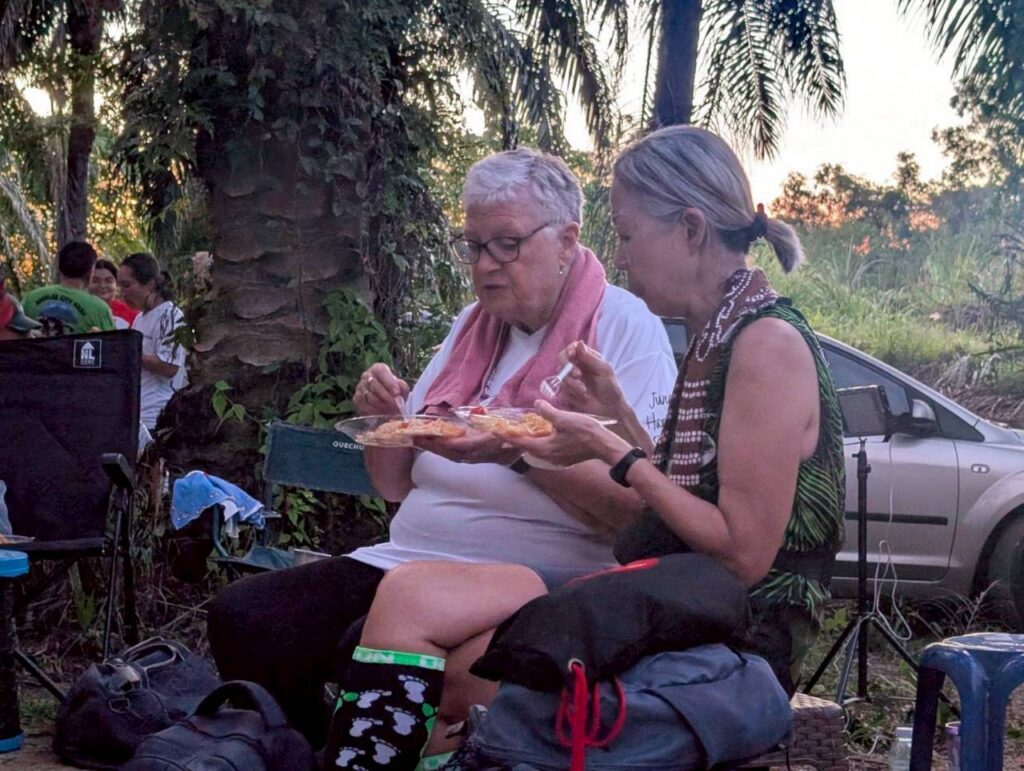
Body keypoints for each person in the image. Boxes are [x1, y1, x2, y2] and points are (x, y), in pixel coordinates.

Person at [322, 126, 846, 770]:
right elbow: (683, 494)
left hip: (736, 629)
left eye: (626, 235)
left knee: (464, 664)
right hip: (671, 590)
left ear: (690, 229)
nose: (618, 260)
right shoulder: (717, 336)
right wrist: (616, 415)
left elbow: (741, 555)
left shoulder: (765, 344)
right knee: (416, 604)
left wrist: (608, 448)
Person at [206, 148, 678, 757]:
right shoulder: (471, 329)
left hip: (532, 570)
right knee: (245, 617)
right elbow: (394, 485)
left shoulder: (623, 329)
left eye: (506, 244)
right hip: (409, 558)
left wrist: (513, 451)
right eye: (473, 246)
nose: (485, 265)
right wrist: (387, 418)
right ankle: (309, 753)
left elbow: (632, 515)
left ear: (566, 240)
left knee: (359, 642)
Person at [117, 252, 187, 431]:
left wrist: (130, 351)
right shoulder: (140, 318)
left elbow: (169, 366)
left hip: (156, 414)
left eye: (127, 285)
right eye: (120, 286)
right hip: (136, 412)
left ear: (150, 284)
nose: (122, 292)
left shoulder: (170, 316)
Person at [22, 241, 116, 335]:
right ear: (91, 271)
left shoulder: (31, 298)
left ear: (59, 267)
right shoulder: (99, 308)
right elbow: (113, 342)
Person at [90, 258, 139, 330]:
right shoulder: (78, 309)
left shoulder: (132, 314)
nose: (102, 285)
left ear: (117, 283)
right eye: (95, 281)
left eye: (108, 281)